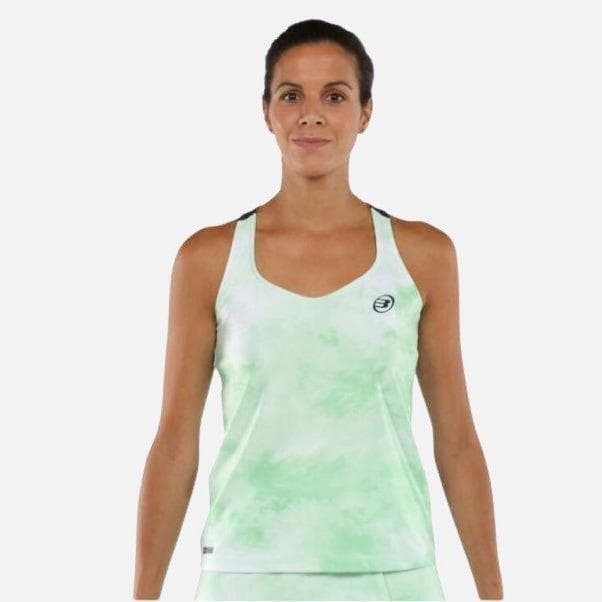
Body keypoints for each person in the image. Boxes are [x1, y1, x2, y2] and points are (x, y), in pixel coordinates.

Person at [134, 18, 503, 601]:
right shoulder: (207, 260)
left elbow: (456, 439)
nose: (311, 115)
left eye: (334, 96)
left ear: (365, 112)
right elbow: (176, 442)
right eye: (291, 96)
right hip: (246, 573)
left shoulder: (423, 256)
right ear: (266, 112)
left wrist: (493, 594)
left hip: (392, 570)